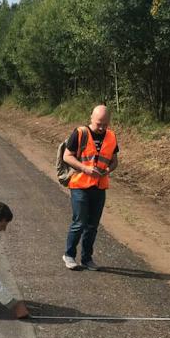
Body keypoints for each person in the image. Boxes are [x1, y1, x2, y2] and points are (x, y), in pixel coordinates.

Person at [62, 104, 119, 271]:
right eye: (98, 123)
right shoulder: (80, 133)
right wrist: (85, 168)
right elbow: (67, 156)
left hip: (100, 187)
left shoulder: (111, 136)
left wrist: (108, 169)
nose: (101, 127)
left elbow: (114, 160)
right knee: (79, 222)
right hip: (80, 185)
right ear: (91, 118)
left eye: (105, 124)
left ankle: (87, 258)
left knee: (92, 226)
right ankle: (69, 255)